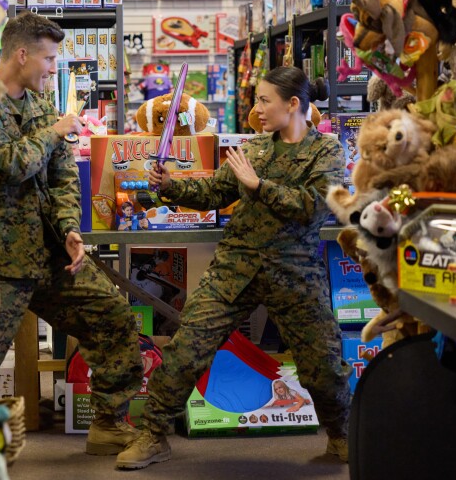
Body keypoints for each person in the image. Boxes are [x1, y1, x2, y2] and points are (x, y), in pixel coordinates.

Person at [116, 66, 352, 469]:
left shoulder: (326, 151)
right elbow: (215, 191)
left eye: (265, 100)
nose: (257, 109)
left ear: (293, 104)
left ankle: (343, 436)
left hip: (294, 271)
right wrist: (171, 185)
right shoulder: (254, 148)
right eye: (257, 99)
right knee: (186, 350)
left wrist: (261, 187)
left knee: (325, 365)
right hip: (235, 267)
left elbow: (315, 205)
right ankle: (153, 435)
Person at [0, 12, 144, 456]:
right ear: (22, 55)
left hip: (49, 254)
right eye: (50, 58)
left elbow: (62, 176)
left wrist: (69, 230)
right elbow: (8, 165)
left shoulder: (40, 105)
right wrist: (56, 130)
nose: (54, 67)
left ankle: (109, 423)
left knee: (112, 316)